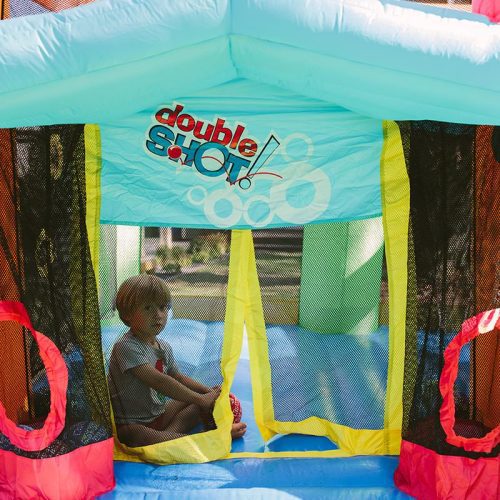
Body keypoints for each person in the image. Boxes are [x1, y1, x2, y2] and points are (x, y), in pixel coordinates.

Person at [108, 273, 246, 447]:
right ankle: (212, 438)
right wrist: (201, 399)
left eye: (162, 307)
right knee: (136, 434)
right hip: (132, 423)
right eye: (148, 308)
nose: (158, 315)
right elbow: (159, 381)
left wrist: (208, 393)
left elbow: (178, 377)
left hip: (159, 415)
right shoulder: (125, 347)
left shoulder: (163, 347)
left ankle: (168, 436)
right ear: (127, 314)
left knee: (194, 403)